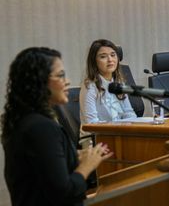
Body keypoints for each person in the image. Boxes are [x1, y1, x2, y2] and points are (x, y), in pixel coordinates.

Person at [1, 47, 113, 206]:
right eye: (60, 75)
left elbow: (42, 169)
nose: (67, 81)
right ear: (38, 81)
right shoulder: (41, 127)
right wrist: (88, 165)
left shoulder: (24, 120)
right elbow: (64, 193)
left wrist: (75, 156)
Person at [79, 39, 137, 125]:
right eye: (103, 56)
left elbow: (129, 113)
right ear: (94, 61)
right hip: (96, 136)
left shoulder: (119, 82)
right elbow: (92, 123)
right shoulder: (90, 86)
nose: (110, 59)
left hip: (120, 134)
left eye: (113, 55)